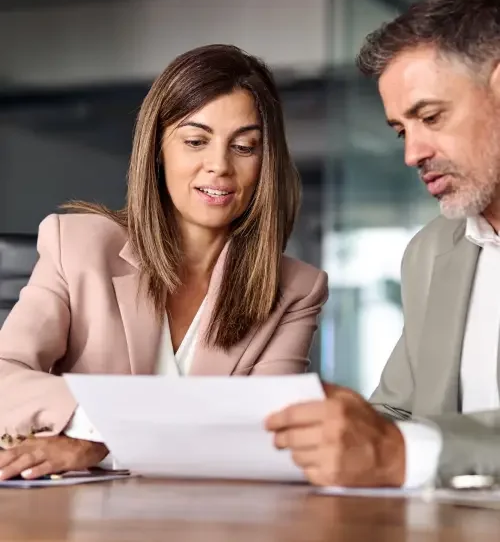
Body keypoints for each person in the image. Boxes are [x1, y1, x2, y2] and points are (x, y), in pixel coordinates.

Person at [0, 44, 328, 481]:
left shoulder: (296, 290)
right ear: (158, 150)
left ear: (265, 162)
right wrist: (98, 426)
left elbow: (268, 437)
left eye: (245, 147)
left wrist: (100, 445)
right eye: (195, 141)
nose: (219, 167)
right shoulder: (75, 245)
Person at [266, 0, 500, 488]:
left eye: (431, 117)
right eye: (401, 130)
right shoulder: (431, 251)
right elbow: (396, 409)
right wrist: (335, 428)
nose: (412, 153)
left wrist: (402, 451)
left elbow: (407, 445)